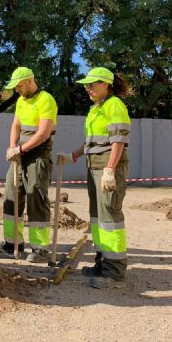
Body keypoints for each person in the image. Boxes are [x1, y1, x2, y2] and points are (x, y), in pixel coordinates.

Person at [58, 67, 130, 289]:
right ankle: (102, 263)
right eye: (86, 85)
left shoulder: (114, 105)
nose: (87, 88)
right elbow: (92, 142)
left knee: (110, 218)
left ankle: (115, 272)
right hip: (94, 167)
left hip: (108, 168)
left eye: (92, 84)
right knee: (98, 219)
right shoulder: (96, 109)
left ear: (106, 84)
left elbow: (118, 141)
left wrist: (110, 169)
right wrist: (73, 156)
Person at [0, 67, 57, 263]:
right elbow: (16, 126)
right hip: (19, 156)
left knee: (36, 198)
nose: (17, 90)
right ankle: (12, 243)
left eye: (19, 85)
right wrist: (12, 147)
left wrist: (20, 150)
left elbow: (43, 133)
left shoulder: (46, 99)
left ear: (29, 81)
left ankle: (39, 248)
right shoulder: (21, 100)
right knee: (11, 196)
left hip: (37, 156)